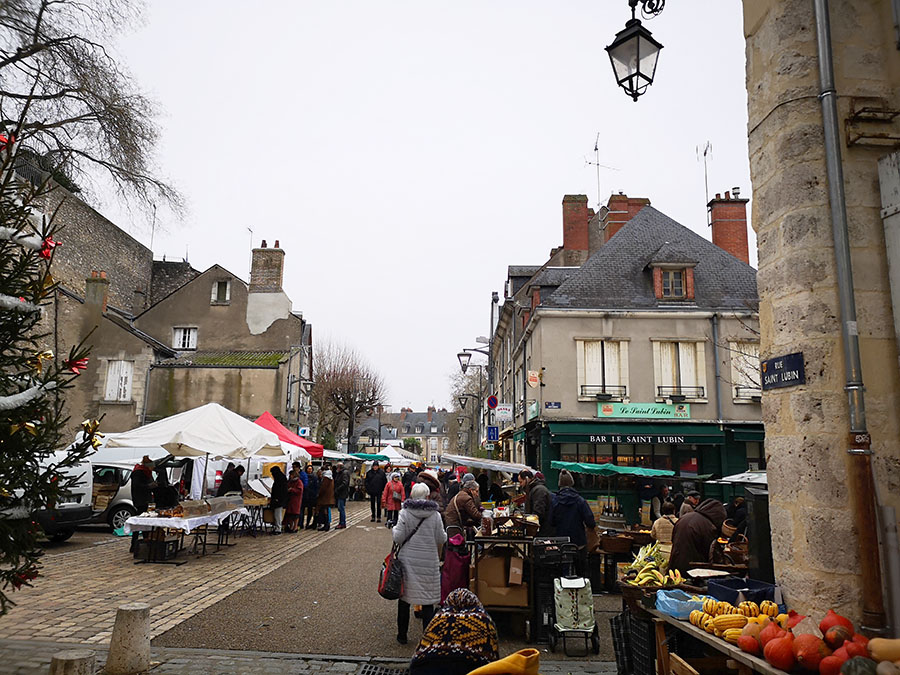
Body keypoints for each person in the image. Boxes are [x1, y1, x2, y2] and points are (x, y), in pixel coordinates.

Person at [392, 482, 446, 645]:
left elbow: (398, 537)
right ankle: (427, 638)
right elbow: (441, 539)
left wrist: (394, 529)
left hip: (408, 561)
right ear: (427, 496)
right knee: (428, 601)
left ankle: (402, 635)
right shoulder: (435, 515)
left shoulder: (405, 513)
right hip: (429, 561)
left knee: (404, 599)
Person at [408, 588, 499, 675]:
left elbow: (420, 652)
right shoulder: (484, 620)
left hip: (427, 668)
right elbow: (493, 658)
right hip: (474, 668)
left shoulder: (437, 619)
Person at [550, 470, 595, 575]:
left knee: (563, 571)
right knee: (581, 572)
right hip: (578, 542)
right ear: (572, 483)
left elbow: (551, 521)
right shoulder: (580, 500)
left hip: (562, 542)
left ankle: (565, 589)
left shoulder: (555, 501)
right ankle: (580, 589)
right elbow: (590, 521)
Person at [668, 498, 727, 575]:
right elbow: (710, 551)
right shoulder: (708, 526)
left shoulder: (685, 517)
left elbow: (673, 538)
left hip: (675, 561)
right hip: (693, 568)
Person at [129, 456, 157, 554]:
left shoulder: (146, 472)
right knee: (140, 522)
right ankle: (135, 544)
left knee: (145, 522)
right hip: (140, 500)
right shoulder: (138, 472)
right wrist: (149, 486)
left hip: (146, 499)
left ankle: (145, 542)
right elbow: (137, 487)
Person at [518, 470, 552, 536]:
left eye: (521, 482)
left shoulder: (539, 491)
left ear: (527, 479)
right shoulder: (533, 490)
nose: (520, 485)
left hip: (542, 530)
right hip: (538, 529)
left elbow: (538, 512)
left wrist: (527, 520)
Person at [268, 466, 288, 535]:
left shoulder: (280, 479)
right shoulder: (281, 478)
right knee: (277, 514)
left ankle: (278, 529)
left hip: (279, 500)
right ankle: (277, 527)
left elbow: (281, 491)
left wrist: (277, 498)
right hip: (279, 500)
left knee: (278, 514)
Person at [283, 469, 304, 533]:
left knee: (295, 515)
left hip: (296, 500)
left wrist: (292, 489)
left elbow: (300, 490)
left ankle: (295, 527)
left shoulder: (299, 482)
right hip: (290, 500)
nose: (290, 476)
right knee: (290, 515)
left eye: (291, 475)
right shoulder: (290, 481)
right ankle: (291, 527)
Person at [333, 463, 350, 529]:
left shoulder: (344, 473)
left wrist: (338, 489)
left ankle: (342, 523)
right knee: (341, 508)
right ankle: (341, 522)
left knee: (341, 508)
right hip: (341, 493)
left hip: (342, 493)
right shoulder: (342, 473)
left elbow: (344, 483)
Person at [303, 463, 320, 529]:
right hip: (307, 496)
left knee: (314, 511)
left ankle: (314, 523)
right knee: (309, 511)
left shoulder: (314, 477)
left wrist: (315, 494)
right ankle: (307, 523)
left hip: (313, 496)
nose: (309, 470)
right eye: (308, 469)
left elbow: (316, 487)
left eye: (310, 469)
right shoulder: (305, 476)